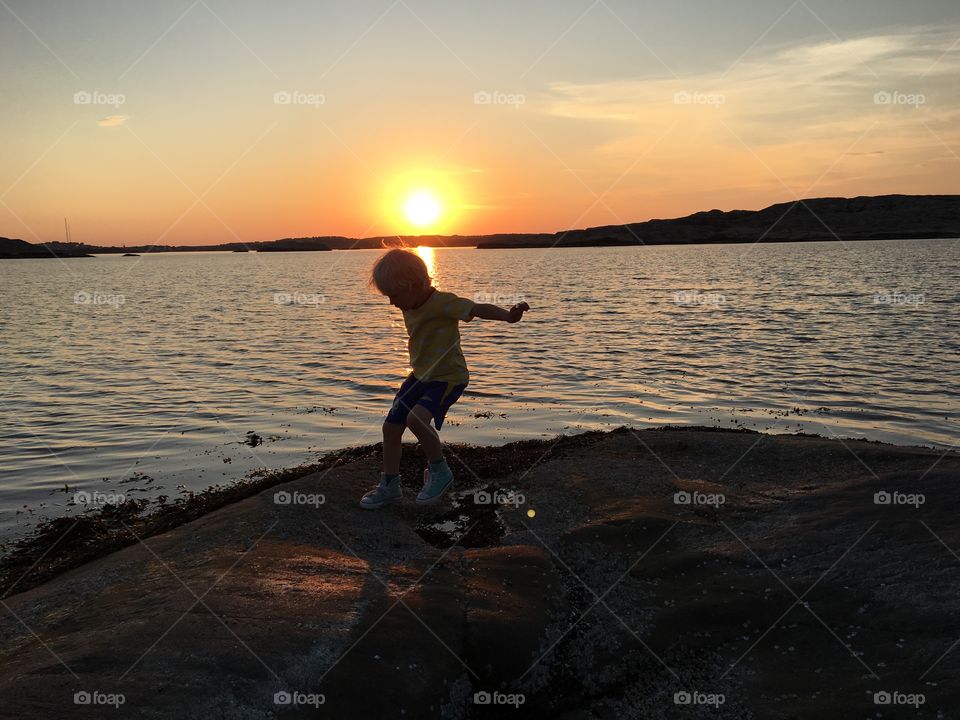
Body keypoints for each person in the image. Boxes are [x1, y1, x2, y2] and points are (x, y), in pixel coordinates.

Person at [360, 248, 529, 509]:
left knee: (416, 419)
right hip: (420, 376)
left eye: (394, 295)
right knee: (391, 427)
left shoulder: (442, 302)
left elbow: (477, 308)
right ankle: (390, 485)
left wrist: (508, 316)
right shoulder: (410, 302)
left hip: (448, 377)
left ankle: (440, 471)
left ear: (413, 285)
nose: (392, 303)